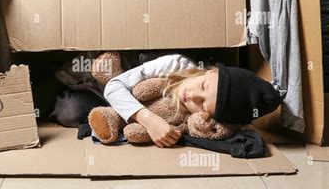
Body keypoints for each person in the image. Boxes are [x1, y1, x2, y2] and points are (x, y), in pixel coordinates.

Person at [103, 54, 283, 148]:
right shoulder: (177, 65)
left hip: (118, 112)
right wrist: (149, 120)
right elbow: (113, 86)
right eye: (203, 86)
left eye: (203, 104)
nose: (193, 96)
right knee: (76, 108)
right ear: (211, 72)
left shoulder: (194, 122)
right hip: (109, 78)